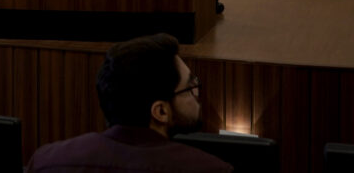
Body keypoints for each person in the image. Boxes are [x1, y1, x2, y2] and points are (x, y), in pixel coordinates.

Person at [26, 33, 232, 172]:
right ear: (160, 111)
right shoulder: (211, 169)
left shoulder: (45, 161)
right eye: (190, 87)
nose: (197, 94)